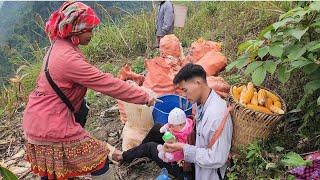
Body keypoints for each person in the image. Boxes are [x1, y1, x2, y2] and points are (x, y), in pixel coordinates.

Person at [22, 2, 155, 180]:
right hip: (51, 124)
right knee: (99, 159)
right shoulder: (68, 58)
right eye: (89, 30)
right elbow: (105, 83)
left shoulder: (60, 46)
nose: (92, 34)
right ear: (76, 29)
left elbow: (95, 76)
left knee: (53, 172)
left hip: (37, 120)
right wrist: (145, 96)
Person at [164, 63, 233, 180]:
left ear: (198, 83)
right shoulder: (200, 103)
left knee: (151, 148)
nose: (184, 95)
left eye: (185, 90)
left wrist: (183, 148)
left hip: (210, 174)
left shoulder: (216, 115)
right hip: (198, 167)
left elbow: (217, 158)